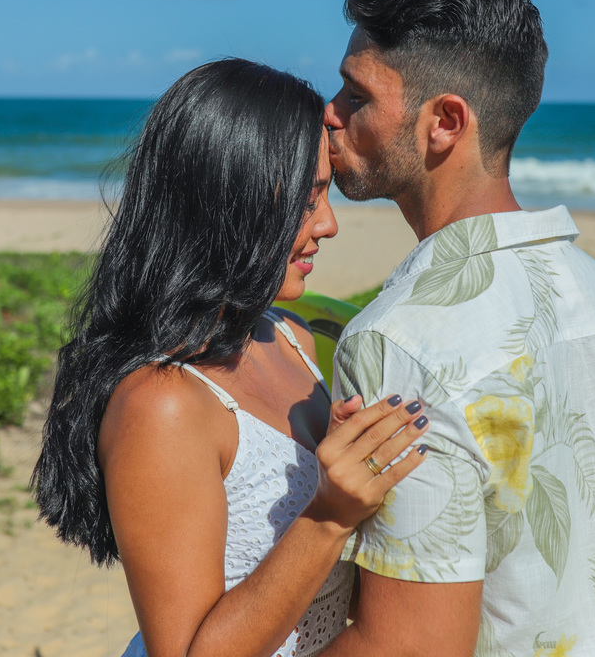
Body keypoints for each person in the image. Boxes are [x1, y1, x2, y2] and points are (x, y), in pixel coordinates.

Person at [318, 0, 595, 657]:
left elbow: (408, 649)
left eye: (356, 94)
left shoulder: (400, 341)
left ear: (445, 123)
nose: (330, 113)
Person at [31, 58, 431, 657]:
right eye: (308, 199)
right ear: (229, 200)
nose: (328, 225)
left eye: (326, 193)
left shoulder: (289, 337)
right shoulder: (162, 404)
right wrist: (329, 514)